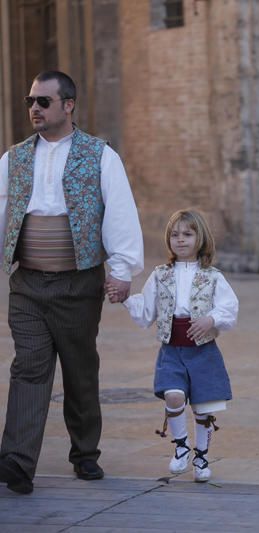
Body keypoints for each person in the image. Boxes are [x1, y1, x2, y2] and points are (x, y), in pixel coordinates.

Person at [0, 71, 143, 494]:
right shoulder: (13, 158)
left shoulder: (100, 155)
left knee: (80, 370)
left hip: (78, 283)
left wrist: (121, 269)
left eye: (43, 101)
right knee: (29, 367)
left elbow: (118, 210)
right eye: (30, 101)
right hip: (26, 284)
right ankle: (17, 462)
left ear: (68, 105)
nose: (34, 109)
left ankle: (84, 454)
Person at [109, 209, 237, 483]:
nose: (181, 240)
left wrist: (211, 318)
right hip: (172, 349)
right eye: (175, 235)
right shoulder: (160, 275)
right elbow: (146, 310)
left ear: (200, 238)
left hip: (203, 350)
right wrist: (124, 298)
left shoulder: (212, 276)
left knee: (203, 407)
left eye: (188, 234)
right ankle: (181, 447)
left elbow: (229, 307)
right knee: (174, 396)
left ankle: (201, 456)